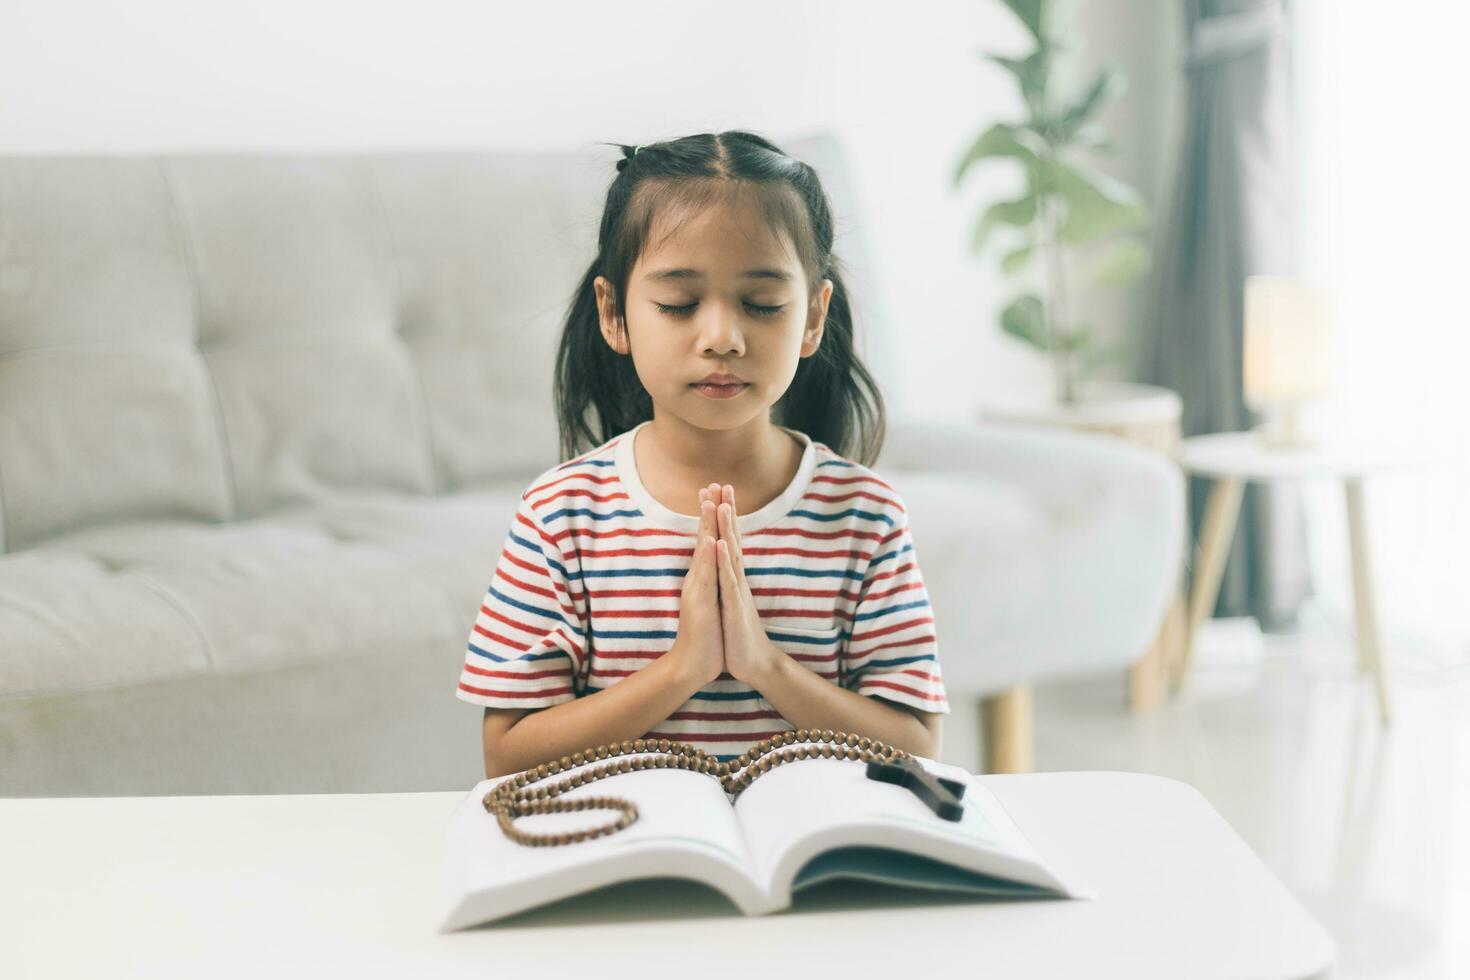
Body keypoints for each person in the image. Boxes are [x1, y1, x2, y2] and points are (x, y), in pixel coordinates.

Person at [455, 131, 949, 780]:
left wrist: (762, 665)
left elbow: (917, 745)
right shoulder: (561, 516)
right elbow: (507, 751)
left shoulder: (866, 517)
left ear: (812, 318)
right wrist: (684, 668)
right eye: (679, 304)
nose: (721, 337)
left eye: (763, 304)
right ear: (615, 313)